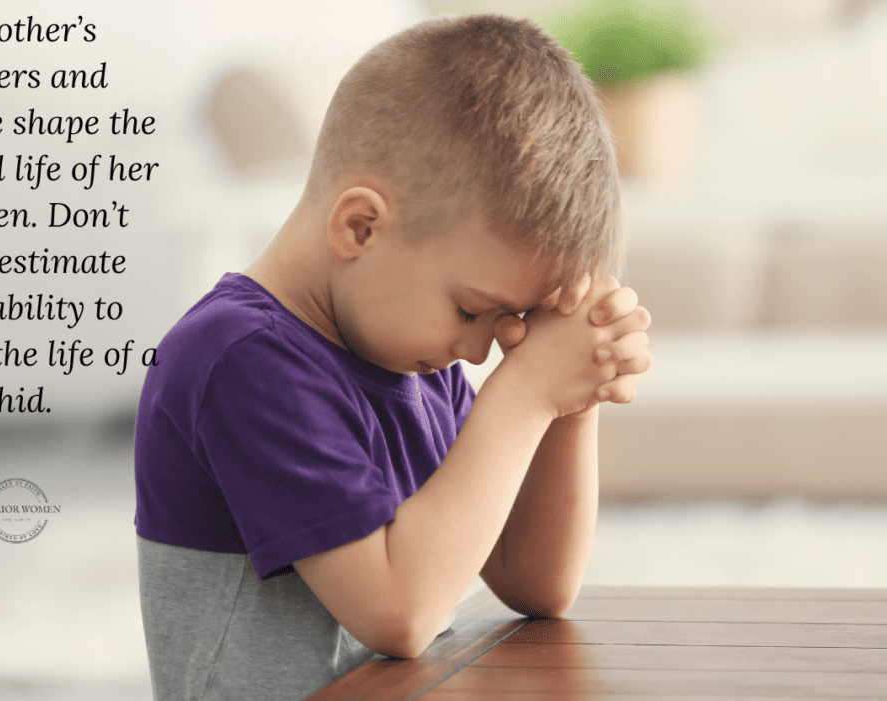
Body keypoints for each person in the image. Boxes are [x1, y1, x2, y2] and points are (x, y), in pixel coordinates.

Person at [134, 13, 651, 701]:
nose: (477, 349)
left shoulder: (412, 357)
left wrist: (569, 399)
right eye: (472, 310)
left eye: (510, 320)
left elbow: (535, 583)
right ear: (361, 226)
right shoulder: (241, 359)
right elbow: (399, 612)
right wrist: (525, 393)